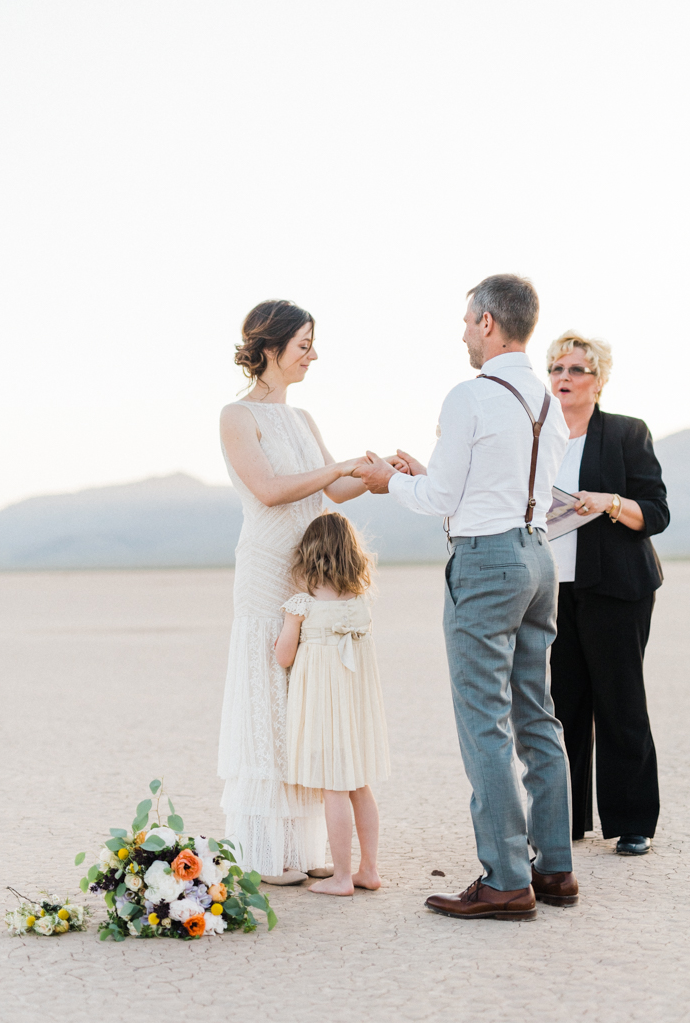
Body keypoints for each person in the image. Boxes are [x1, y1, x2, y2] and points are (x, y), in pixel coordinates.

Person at [355, 274, 578, 920]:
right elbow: (495, 486)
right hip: (538, 558)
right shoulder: (543, 400)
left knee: (483, 720)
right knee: (536, 714)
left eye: (464, 321)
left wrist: (385, 482)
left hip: (485, 565)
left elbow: (440, 502)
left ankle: (506, 879)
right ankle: (554, 868)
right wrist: (428, 478)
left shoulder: (469, 396)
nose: (460, 332)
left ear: (486, 322)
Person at [218, 299, 403, 885]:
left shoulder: (303, 420)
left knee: (310, 700)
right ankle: (268, 851)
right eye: (304, 346)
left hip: (312, 575)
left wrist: (381, 474)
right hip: (266, 571)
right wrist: (336, 470)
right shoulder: (236, 415)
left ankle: (312, 846)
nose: (313, 356)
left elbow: (338, 490)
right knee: (267, 694)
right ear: (269, 348)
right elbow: (270, 490)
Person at [546, 331, 669, 856]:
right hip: (550, 590)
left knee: (620, 703)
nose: (564, 379)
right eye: (556, 369)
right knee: (563, 706)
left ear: (599, 381)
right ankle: (567, 823)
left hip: (618, 588)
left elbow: (656, 514)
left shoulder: (625, 433)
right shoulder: (537, 439)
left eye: (576, 370)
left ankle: (632, 821)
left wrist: (609, 502)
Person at [275, 513, 390, 897]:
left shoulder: (301, 604)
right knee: (360, 785)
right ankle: (368, 869)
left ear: (310, 555)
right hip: (356, 707)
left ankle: (341, 878)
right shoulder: (359, 603)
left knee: (333, 789)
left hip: (324, 706)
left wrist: (284, 633)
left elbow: (284, 657)